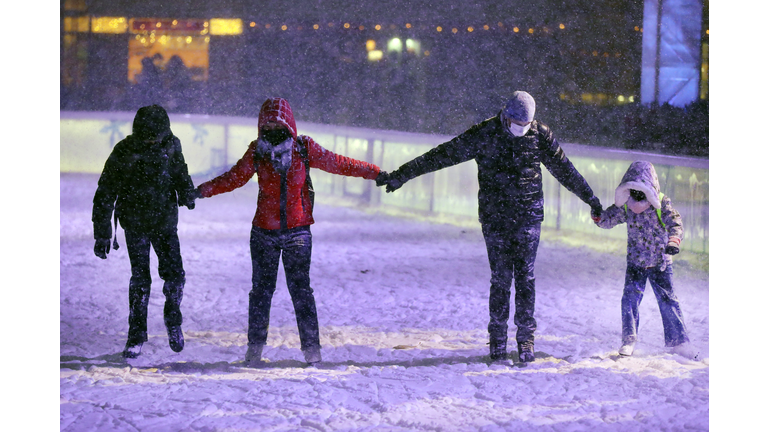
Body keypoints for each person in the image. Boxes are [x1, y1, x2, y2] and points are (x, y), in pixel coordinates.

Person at [379, 91, 603, 363]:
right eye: (517, 123)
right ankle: (497, 339)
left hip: (528, 216)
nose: (522, 129)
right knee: (500, 279)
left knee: (526, 278)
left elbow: (565, 170)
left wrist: (591, 199)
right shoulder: (484, 133)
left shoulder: (539, 134)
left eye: (526, 125)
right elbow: (442, 155)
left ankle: (526, 339)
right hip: (495, 219)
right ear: (505, 115)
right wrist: (403, 175)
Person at [193, 97, 387, 366]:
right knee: (260, 292)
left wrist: (374, 173)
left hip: (298, 232)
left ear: (289, 122)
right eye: (267, 122)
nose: (273, 126)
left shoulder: (303, 148)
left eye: (278, 121)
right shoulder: (257, 152)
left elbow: (338, 163)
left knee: (301, 291)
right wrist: (202, 191)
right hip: (263, 232)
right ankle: (255, 349)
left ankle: (311, 350)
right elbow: (235, 177)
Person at [92, 105, 197, 359]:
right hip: (135, 222)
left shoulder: (171, 145)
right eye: (147, 135)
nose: (152, 140)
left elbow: (179, 171)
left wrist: (186, 191)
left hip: (165, 222)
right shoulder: (124, 150)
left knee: (175, 275)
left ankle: (173, 321)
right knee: (140, 279)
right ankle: (136, 335)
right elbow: (105, 191)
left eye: (156, 135)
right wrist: (102, 231)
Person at [594, 160, 691, 357]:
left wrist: (673, 241)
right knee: (629, 300)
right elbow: (607, 220)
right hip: (636, 262)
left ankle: (678, 341)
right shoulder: (626, 205)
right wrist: (597, 214)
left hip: (660, 262)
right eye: (633, 189)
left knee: (668, 300)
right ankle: (629, 340)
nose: (637, 195)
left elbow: (676, 223)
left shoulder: (662, 202)